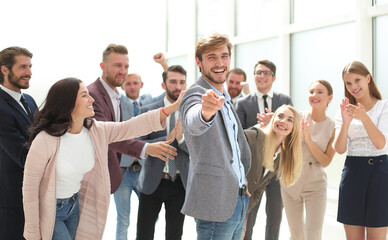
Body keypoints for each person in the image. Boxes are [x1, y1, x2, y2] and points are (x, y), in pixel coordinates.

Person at [22, 77, 181, 240]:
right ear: (68, 102)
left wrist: (173, 107)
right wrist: (33, 233)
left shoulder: (95, 130)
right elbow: (30, 188)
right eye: (84, 95)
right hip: (51, 209)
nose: (91, 99)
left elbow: (130, 127)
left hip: (74, 206)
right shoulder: (45, 139)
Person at [179, 33, 251, 240]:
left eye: (224, 56)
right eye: (211, 57)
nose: (220, 63)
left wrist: (241, 182)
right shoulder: (196, 94)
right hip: (215, 203)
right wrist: (205, 113)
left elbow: (234, 150)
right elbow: (194, 121)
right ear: (198, 62)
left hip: (237, 198)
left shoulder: (226, 98)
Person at [87, 44, 175, 194]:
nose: (123, 71)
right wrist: (147, 147)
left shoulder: (119, 97)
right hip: (105, 172)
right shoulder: (95, 95)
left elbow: (170, 89)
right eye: (117, 65)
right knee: (122, 218)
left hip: (130, 168)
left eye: (126, 66)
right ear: (103, 66)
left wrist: (164, 64)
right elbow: (108, 135)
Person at [236, 59, 293, 240]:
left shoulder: (284, 100)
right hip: (253, 168)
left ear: (273, 77)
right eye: (258, 73)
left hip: (276, 168)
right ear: (254, 77)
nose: (262, 76)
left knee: (275, 216)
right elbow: (240, 135)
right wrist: (265, 127)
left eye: (266, 73)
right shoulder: (243, 103)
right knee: (249, 216)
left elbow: (290, 131)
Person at [333, 61, 388, 240]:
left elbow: (381, 144)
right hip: (352, 173)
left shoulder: (384, 107)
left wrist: (364, 117)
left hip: (380, 174)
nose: (353, 87)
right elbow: (339, 149)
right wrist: (346, 123)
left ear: (368, 78)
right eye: (348, 83)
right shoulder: (342, 111)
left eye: (357, 80)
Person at [136, 65, 189, 240]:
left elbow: (198, 150)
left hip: (180, 182)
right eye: (173, 82)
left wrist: (181, 140)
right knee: (144, 234)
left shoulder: (192, 113)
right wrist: (166, 138)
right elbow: (137, 144)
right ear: (163, 84)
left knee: (175, 235)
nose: (178, 87)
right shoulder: (149, 110)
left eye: (182, 82)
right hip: (153, 182)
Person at [281, 80, 335, 240]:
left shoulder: (333, 126)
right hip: (291, 182)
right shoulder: (296, 117)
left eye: (320, 92)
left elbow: (325, 161)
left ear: (330, 98)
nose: (314, 95)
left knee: (313, 236)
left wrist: (309, 140)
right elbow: (280, 138)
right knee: (296, 235)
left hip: (315, 186)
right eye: (311, 92)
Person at [0, 46, 37, 239]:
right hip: (11, 198)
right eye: (23, 67)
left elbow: (40, 138)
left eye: (30, 66)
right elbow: (23, 155)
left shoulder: (29, 100)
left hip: (33, 195)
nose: (29, 72)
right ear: (4, 70)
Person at [244, 104, 302, 216]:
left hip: (240, 211)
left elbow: (258, 190)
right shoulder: (255, 136)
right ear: (272, 119)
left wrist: (243, 216)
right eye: (280, 116)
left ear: (293, 129)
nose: (283, 121)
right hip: (226, 203)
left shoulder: (279, 157)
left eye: (290, 120)